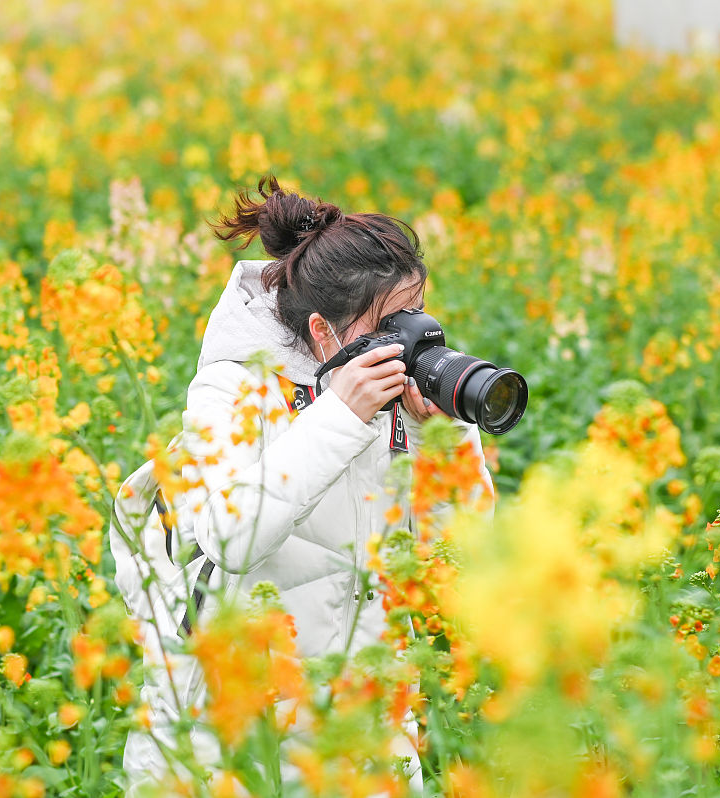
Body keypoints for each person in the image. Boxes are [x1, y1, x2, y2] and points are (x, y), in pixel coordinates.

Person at [115, 175, 493, 795]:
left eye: (419, 310)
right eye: (392, 322)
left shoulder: (390, 385)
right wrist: (340, 415)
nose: (415, 334)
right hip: (233, 735)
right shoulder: (233, 386)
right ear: (323, 332)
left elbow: (460, 558)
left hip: (368, 724)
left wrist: (443, 439)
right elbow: (228, 538)